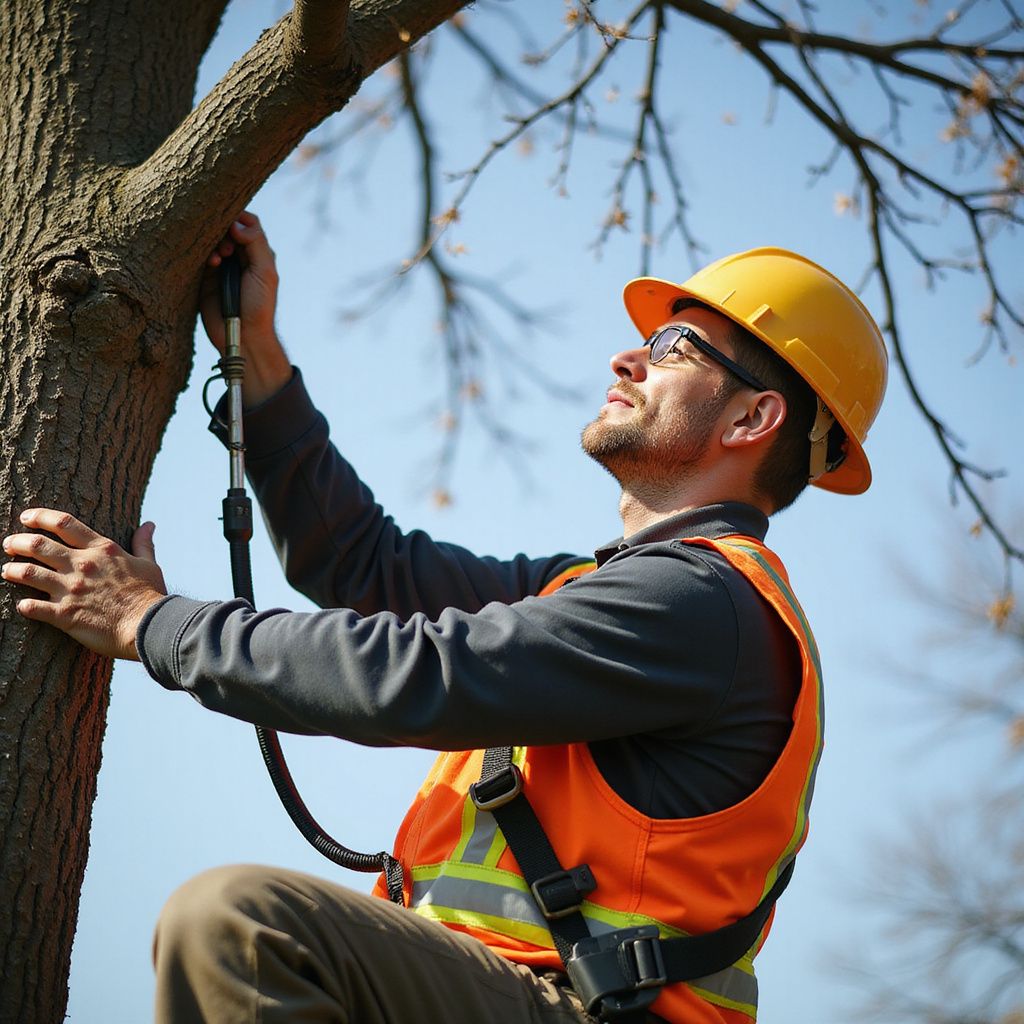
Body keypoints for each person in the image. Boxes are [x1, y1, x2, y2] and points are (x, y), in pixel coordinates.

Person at [0, 212, 887, 1024]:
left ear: (753, 417)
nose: (627, 360)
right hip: (493, 992)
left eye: (673, 345)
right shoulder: (588, 590)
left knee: (241, 924)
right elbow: (365, 566)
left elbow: (417, 674)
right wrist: (256, 356)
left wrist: (152, 622)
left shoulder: (703, 606)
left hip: (586, 1011)